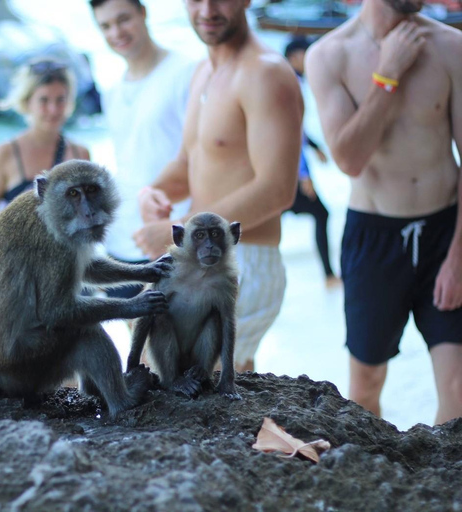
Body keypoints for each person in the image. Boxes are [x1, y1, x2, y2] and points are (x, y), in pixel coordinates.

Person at [306, 0, 462, 424]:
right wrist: (387, 75)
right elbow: (349, 159)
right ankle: (373, 478)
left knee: (457, 387)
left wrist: (457, 256)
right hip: (373, 239)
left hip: (447, 232)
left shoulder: (451, 47)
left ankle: (442, 486)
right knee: (366, 384)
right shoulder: (329, 55)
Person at [133, 0, 303, 373]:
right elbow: (188, 162)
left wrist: (174, 229)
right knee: (221, 394)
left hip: (243, 260)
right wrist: (152, 192)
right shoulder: (203, 73)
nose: (207, 9)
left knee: (183, 384)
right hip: (203, 257)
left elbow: (278, 189)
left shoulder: (265, 72)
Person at [90, 0, 196, 299]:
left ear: (143, 13)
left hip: (170, 236)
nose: (116, 32)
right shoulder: (112, 90)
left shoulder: (186, 72)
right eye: (105, 26)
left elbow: (199, 159)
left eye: (123, 19)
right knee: (136, 344)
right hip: (120, 242)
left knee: (174, 343)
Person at [0, 59, 91, 229]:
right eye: (44, 100)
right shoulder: (6, 153)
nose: (53, 109)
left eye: (60, 100)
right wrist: (22, 221)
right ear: (27, 101)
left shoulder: (80, 154)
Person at [284, 36, 340, 286]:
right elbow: (289, 133)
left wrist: (315, 146)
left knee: (265, 222)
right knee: (322, 213)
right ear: (295, 57)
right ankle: (328, 275)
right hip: (288, 173)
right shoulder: (290, 83)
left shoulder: (288, 81)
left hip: (279, 171)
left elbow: (297, 130)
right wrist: (303, 175)